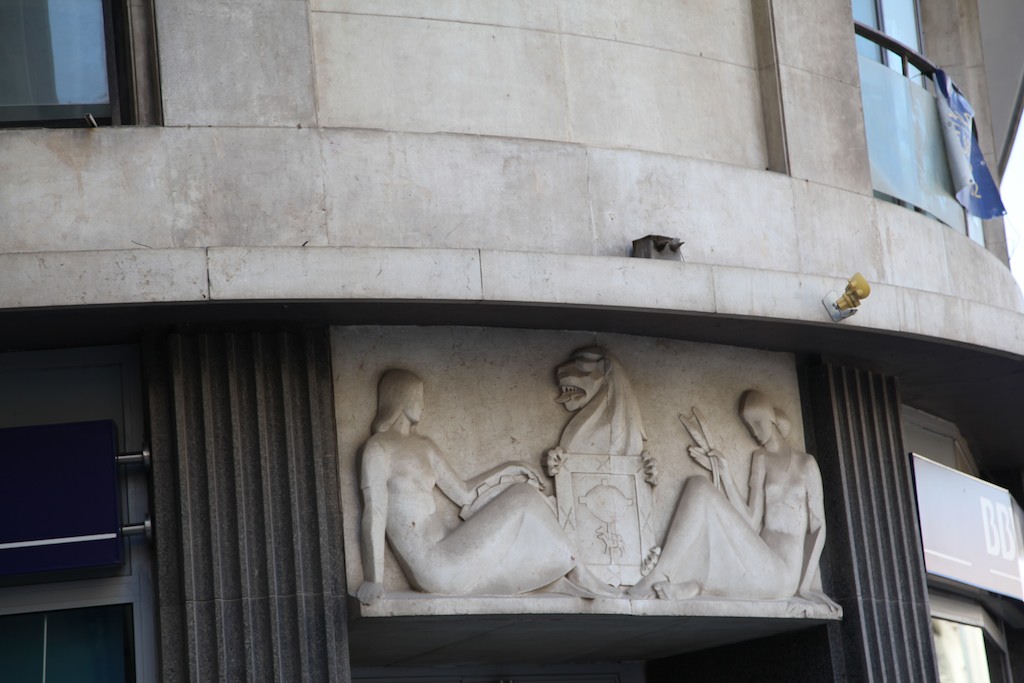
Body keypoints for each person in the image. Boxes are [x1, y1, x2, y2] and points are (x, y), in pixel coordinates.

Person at [356, 369, 618, 605]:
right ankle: (579, 572)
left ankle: (566, 574)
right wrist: (373, 579)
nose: (422, 406)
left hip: (452, 548)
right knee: (524, 495)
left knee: (524, 496)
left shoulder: (424, 447)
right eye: (418, 397)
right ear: (400, 398)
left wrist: (510, 469)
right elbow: (374, 512)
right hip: (433, 566)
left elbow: (464, 494)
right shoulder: (378, 448)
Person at [627, 390, 840, 615]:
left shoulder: (806, 463)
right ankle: (683, 579)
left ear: (771, 418)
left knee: (701, 490)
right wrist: (724, 472)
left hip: (783, 575)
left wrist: (804, 588)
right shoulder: (761, 459)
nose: (754, 431)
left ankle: (683, 580)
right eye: (749, 426)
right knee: (699, 486)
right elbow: (751, 520)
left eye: (757, 423)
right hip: (758, 558)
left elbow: (818, 528)